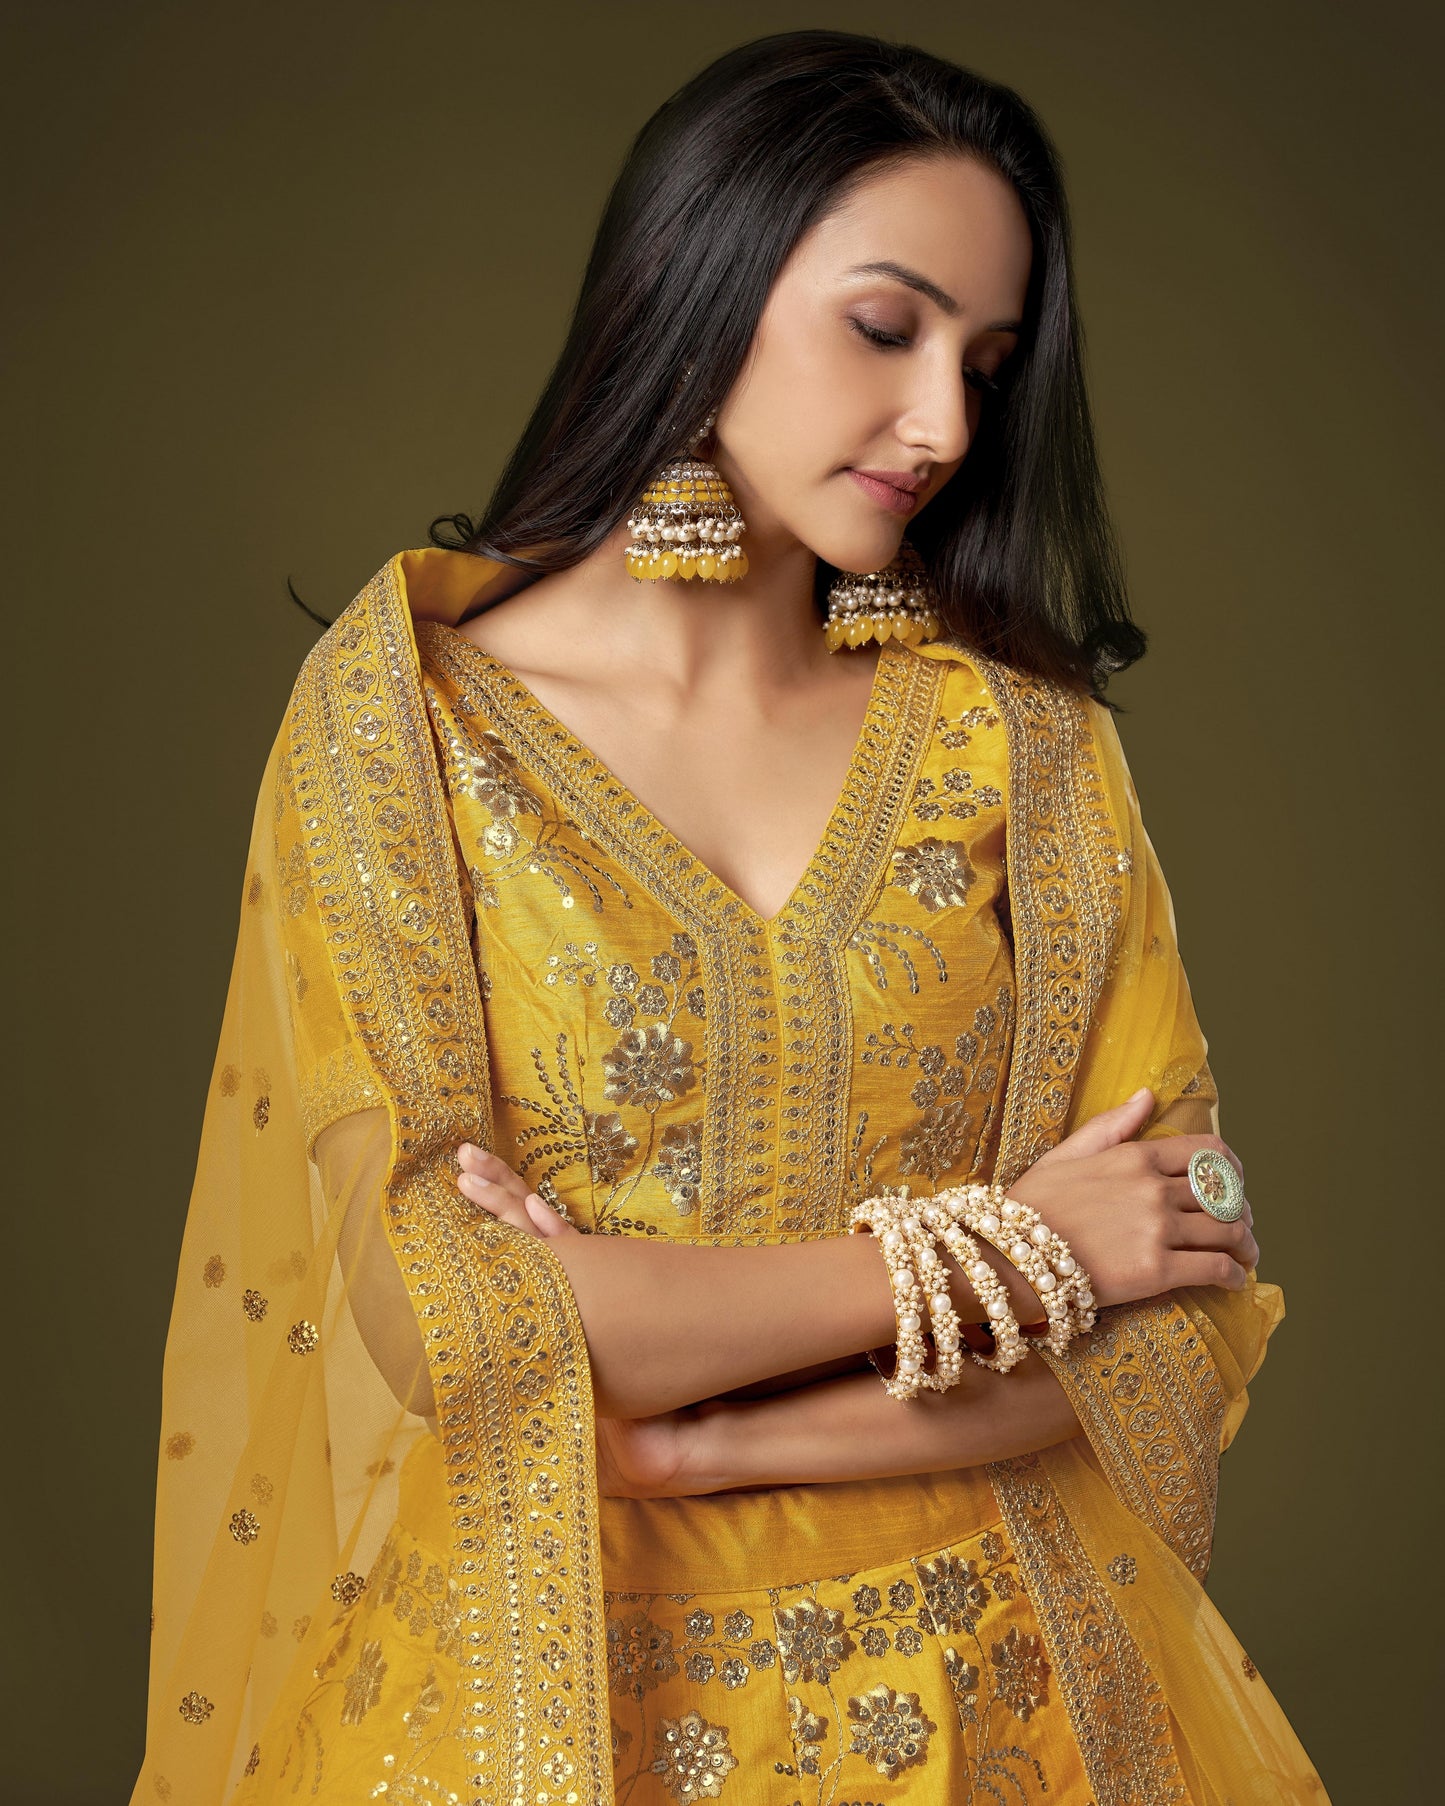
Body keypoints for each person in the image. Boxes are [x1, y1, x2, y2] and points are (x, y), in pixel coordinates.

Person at [131, 29, 1331, 1806]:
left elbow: (1184, 1295)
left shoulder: (1025, 750)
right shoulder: (410, 728)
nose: (942, 425)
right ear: (702, 286)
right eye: (883, 326)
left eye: (986, 366)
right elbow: (442, 1317)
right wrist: (1013, 1245)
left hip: (1018, 1710)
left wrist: (684, 1432)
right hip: (547, 1698)